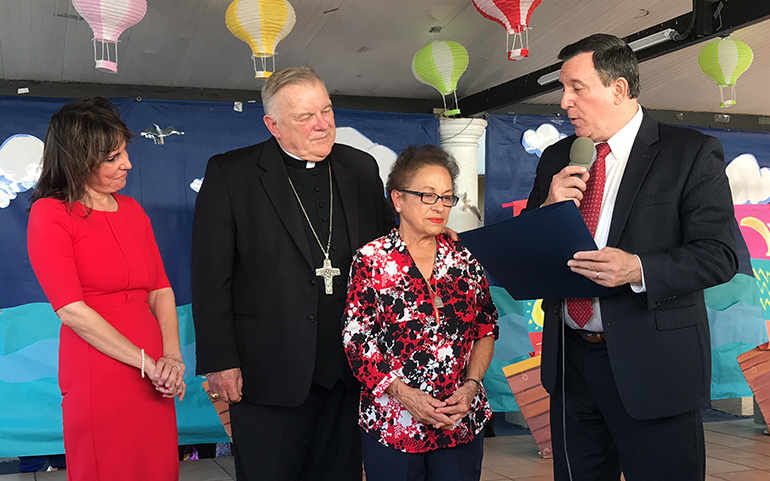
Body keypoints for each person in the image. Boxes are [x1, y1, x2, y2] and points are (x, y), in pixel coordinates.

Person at [525, 34, 738, 480]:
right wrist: (545, 210)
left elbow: (720, 254)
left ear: (618, 89)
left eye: (576, 88)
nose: (564, 102)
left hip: (654, 366)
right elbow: (528, 252)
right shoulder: (556, 159)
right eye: (563, 89)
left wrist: (638, 268)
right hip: (571, 365)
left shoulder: (689, 153)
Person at [190, 66, 396, 481]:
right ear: (274, 125)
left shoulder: (360, 168)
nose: (322, 125)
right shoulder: (233, 174)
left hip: (348, 370)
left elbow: (385, 253)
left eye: (327, 110)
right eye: (306, 117)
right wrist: (220, 360)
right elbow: (210, 275)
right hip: (267, 369)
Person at [26, 97, 185, 481]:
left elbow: (160, 289)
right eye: (113, 157)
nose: (127, 164)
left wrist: (172, 359)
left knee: (157, 469)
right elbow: (70, 310)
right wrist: (147, 362)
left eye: (125, 153)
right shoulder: (50, 214)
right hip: (100, 370)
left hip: (155, 374)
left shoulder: (132, 210)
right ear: (79, 160)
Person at [342, 145, 499, 481]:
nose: (439, 207)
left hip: (458, 418)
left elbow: (486, 329)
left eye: (446, 197)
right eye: (428, 196)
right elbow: (358, 341)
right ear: (398, 200)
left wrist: (471, 385)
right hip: (394, 421)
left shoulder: (465, 258)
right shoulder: (372, 260)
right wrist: (405, 395)